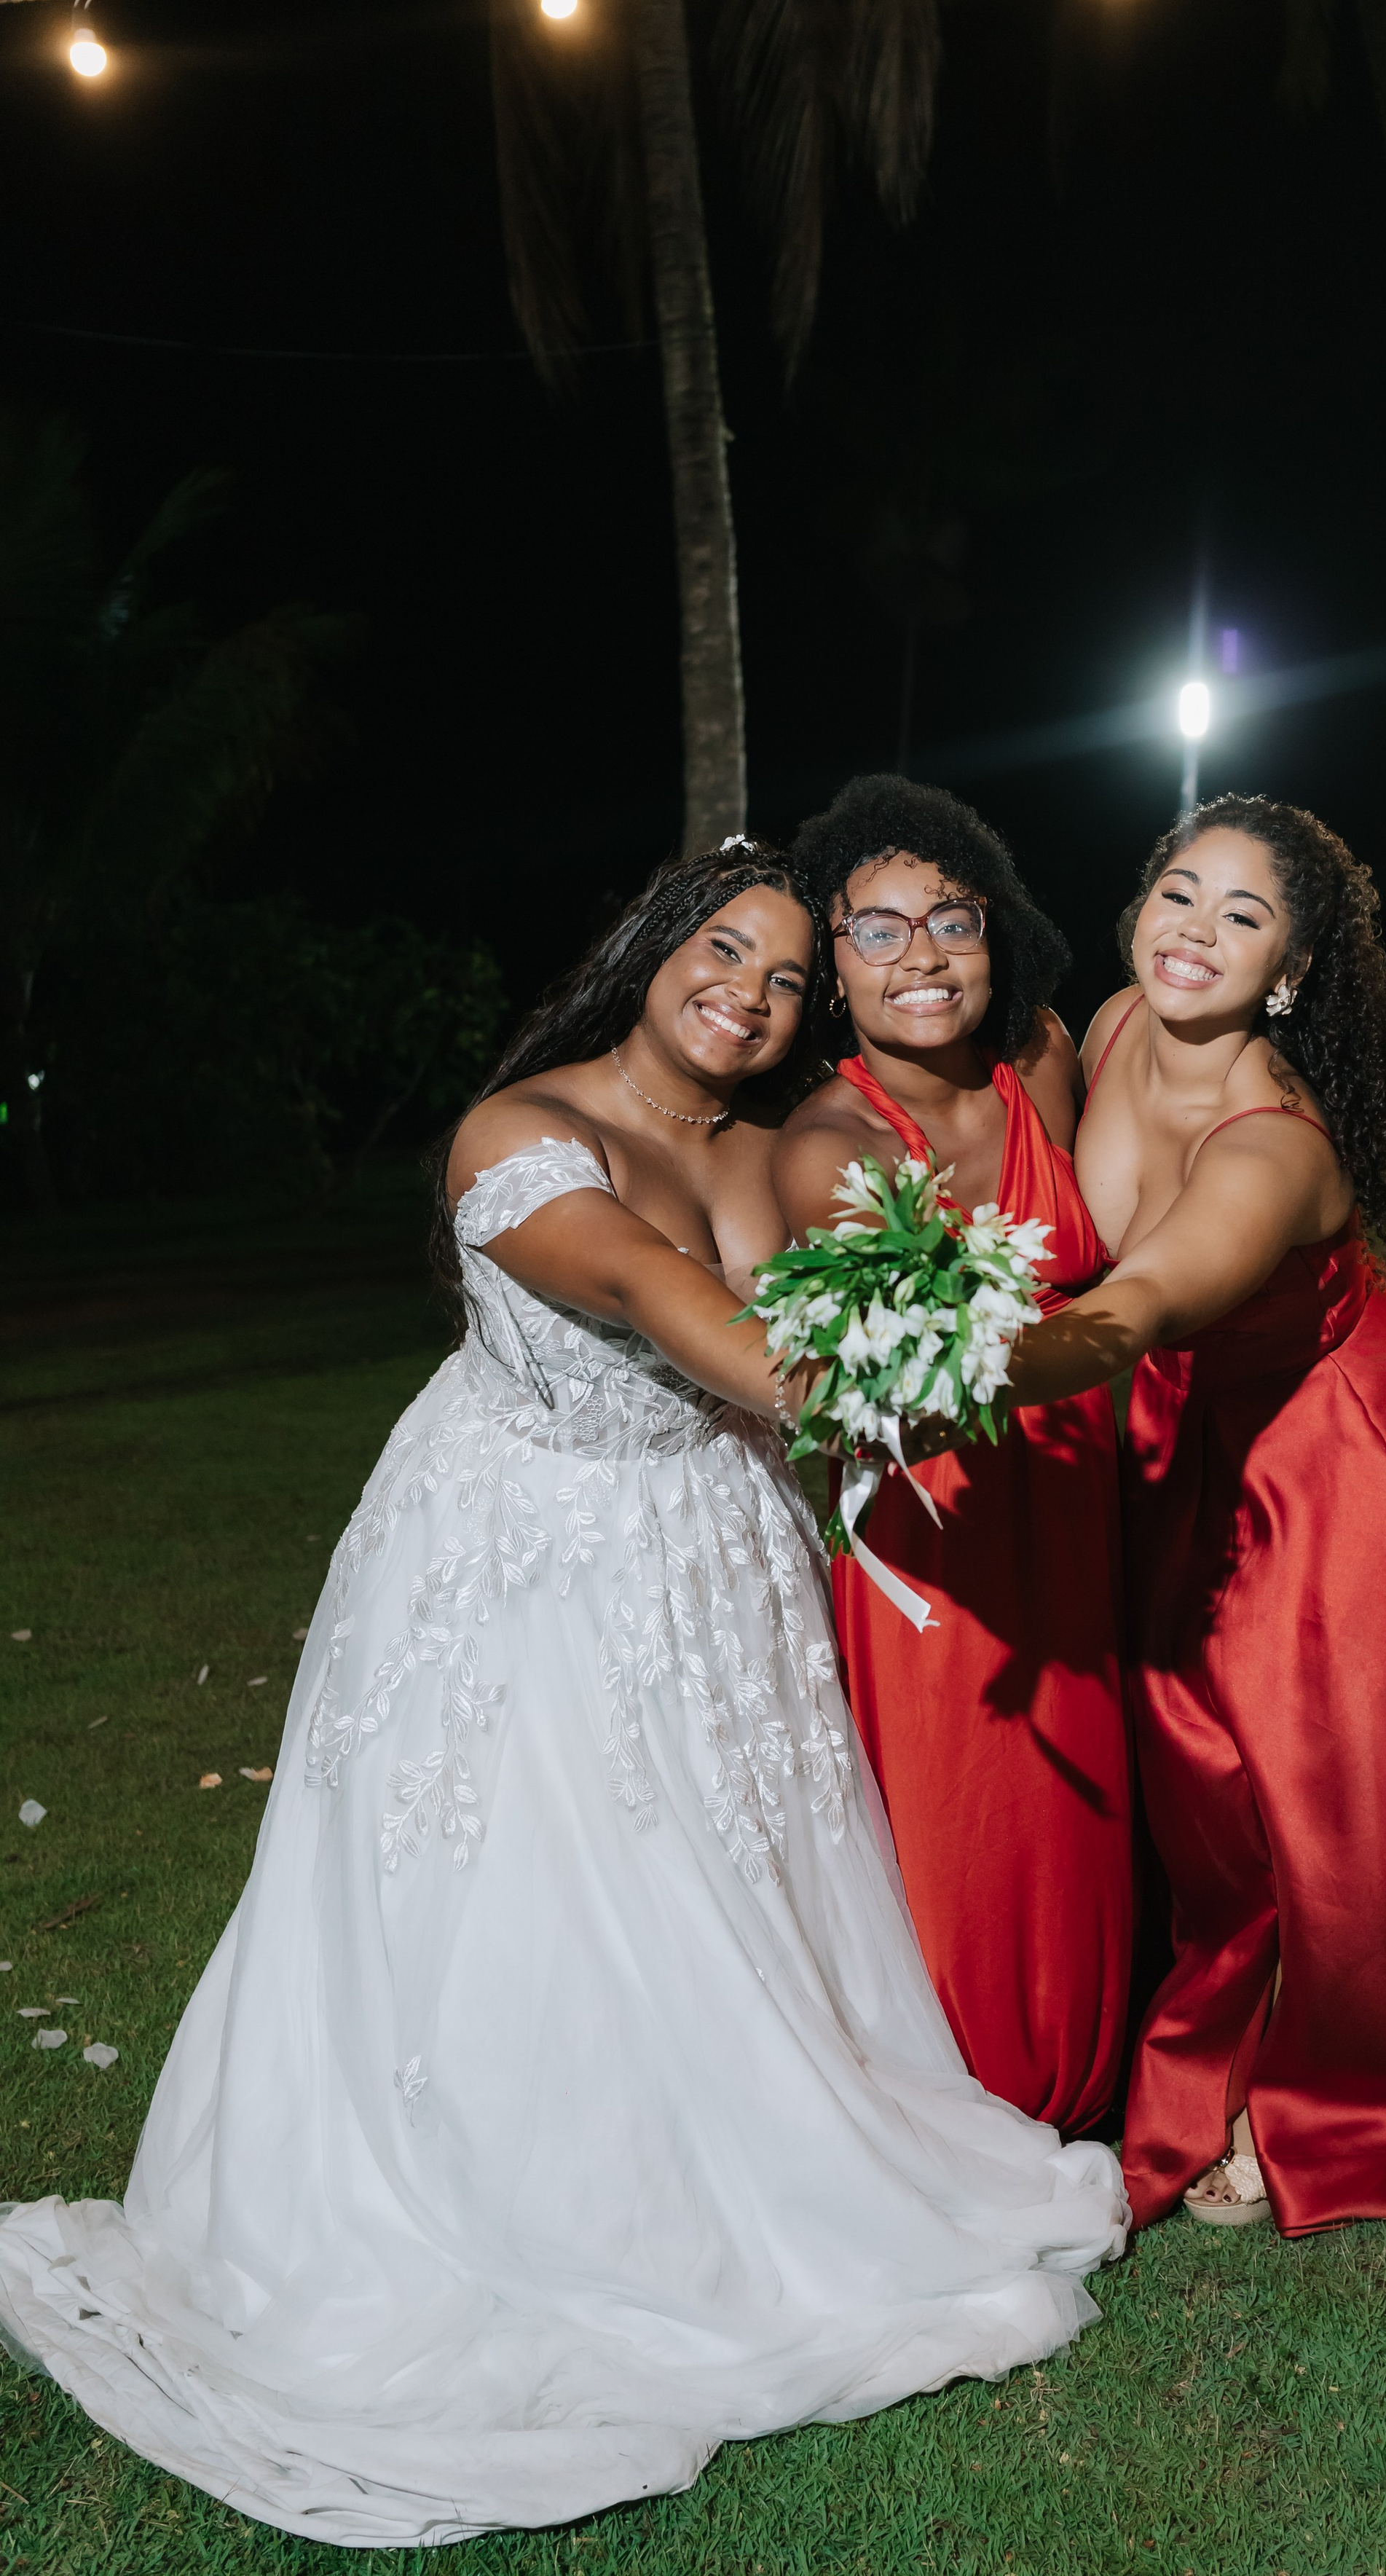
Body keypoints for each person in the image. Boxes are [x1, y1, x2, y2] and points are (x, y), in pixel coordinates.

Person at [0, 841, 1126, 2550]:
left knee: (722, 1880)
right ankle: (515, 2202)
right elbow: (700, 1323)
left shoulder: (760, 1147)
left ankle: (720, 2170)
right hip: (518, 1556)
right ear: (650, 946)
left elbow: (839, 1277)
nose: (747, 999)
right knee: (523, 1884)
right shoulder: (517, 1137)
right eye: (721, 954)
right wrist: (986, 1349)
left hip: (711, 1550)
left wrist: (937, 1297)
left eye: (782, 982)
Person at [985, 795, 1386, 2235]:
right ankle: (1217, 2019)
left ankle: (1339, 2087)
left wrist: (948, 1360)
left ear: (1289, 970)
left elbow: (1146, 1301)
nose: (1193, 933)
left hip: (1332, 1435)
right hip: (1186, 1414)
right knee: (1191, 1758)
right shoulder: (1110, 1029)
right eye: (1178, 893)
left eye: (1243, 915)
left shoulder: (1272, 1143)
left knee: (1322, 1782)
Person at [777, 779, 1133, 2140]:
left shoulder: (1041, 1058)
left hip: (1087, 1488)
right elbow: (906, 1380)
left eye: (952, 919)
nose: (920, 954)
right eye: (876, 929)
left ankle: (1101, 2063)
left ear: (999, 932)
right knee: (974, 1811)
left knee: (1097, 1794)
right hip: (945, 1524)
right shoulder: (832, 1145)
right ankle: (979, 2099)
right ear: (834, 966)